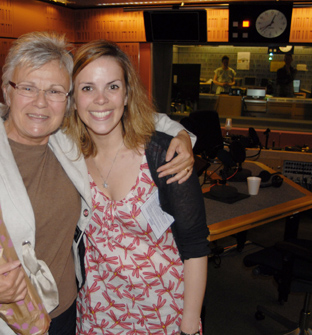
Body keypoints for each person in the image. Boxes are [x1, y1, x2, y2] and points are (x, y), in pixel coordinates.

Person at [0, 32, 196, 335]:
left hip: (69, 310)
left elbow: (128, 111)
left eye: (54, 91)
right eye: (28, 88)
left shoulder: (65, 138)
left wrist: (180, 135)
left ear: (68, 100)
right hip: (5, 321)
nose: (41, 103)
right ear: (7, 92)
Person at [63, 40, 210, 335]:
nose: (101, 99)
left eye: (113, 87)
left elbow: (195, 246)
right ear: (73, 98)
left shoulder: (163, 155)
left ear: (127, 94)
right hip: (98, 312)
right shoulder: (69, 156)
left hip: (164, 309)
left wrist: (189, 324)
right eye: (88, 88)